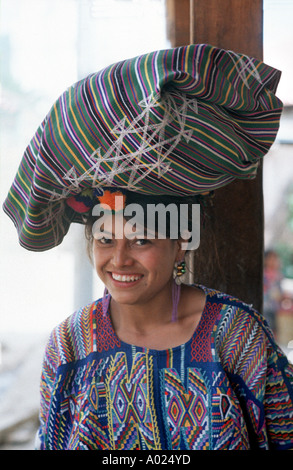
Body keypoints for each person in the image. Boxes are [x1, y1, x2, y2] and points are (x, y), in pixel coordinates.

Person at [3, 44, 293, 450]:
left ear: (180, 245)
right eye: (105, 239)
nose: (119, 259)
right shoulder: (69, 345)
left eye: (142, 239)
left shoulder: (237, 337)